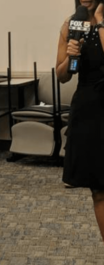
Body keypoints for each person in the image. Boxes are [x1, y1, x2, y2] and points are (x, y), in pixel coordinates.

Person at [56, 0, 104, 241]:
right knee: (98, 189)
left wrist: (100, 19)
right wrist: (71, 56)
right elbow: (62, 75)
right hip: (88, 111)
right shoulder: (71, 24)